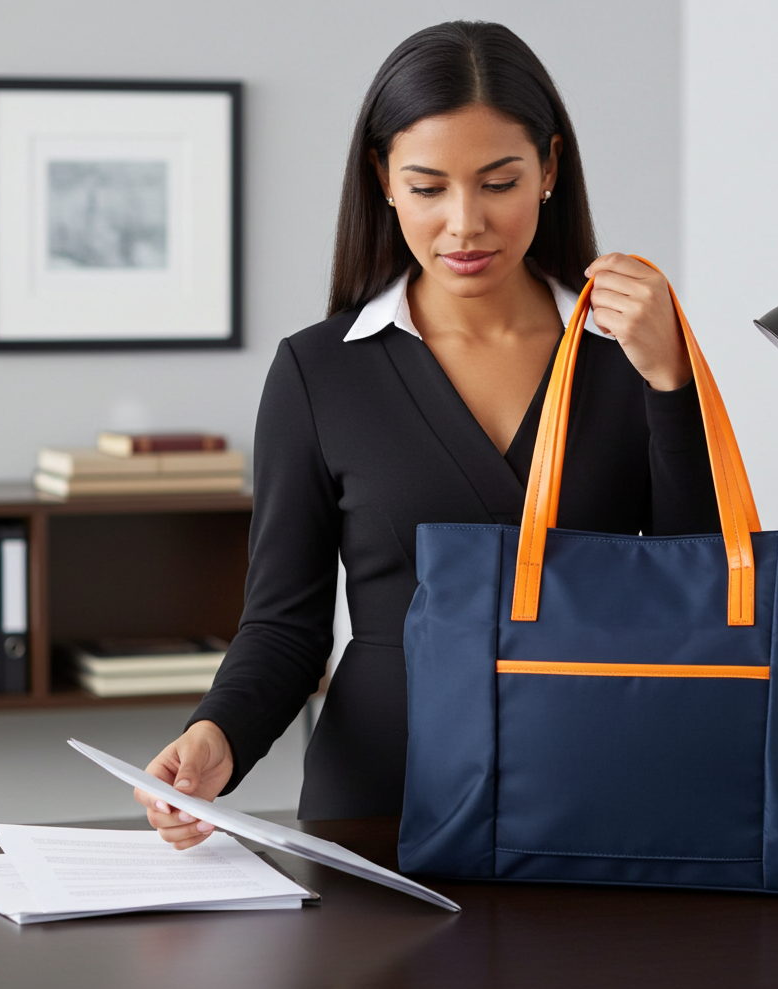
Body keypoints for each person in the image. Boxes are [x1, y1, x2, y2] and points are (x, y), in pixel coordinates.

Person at [135, 20, 720, 850]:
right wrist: (215, 736)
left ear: (550, 169)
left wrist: (670, 382)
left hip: (599, 788)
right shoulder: (319, 373)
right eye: (428, 187)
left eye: (498, 182)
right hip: (379, 799)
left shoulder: (629, 353)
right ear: (383, 180)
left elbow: (703, 592)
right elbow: (285, 626)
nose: (464, 223)